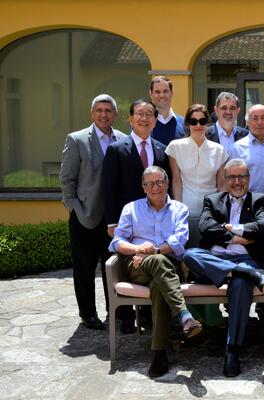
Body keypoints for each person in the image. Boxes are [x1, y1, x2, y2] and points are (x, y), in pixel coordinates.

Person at [109, 166, 203, 378]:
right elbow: (117, 241)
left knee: (159, 280)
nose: (155, 187)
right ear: (143, 188)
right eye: (150, 184)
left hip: (169, 266)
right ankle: (184, 316)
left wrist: (153, 250)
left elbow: (179, 241)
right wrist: (137, 249)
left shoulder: (179, 209)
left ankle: (159, 354)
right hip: (137, 266)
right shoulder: (131, 208)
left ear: (167, 184)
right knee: (158, 264)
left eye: (160, 182)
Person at [183, 159, 264, 377]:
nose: (237, 181)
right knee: (190, 254)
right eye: (232, 177)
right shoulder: (213, 200)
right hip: (213, 260)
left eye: (241, 176)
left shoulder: (260, 199)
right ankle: (245, 273)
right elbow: (205, 227)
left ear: (248, 179)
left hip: (246, 261)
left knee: (241, 284)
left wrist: (232, 230)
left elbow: (261, 226)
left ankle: (232, 350)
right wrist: (241, 238)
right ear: (225, 180)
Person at [103, 99, 171, 333]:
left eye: (149, 114)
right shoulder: (116, 149)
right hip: (127, 220)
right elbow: (109, 187)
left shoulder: (162, 149)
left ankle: (152, 316)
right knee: (125, 265)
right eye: (139, 114)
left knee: (149, 265)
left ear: (155, 120)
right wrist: (112, 222)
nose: (144, 118)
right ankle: (124, 316)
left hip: (153, 221)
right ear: (130, 119)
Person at [59, 94, 126, 330]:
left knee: (114, 267)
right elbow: (66, 180)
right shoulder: (77, 140)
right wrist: (75, 209)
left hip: (115, 219)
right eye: (99, 110)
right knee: (84, 268)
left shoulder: (124, 139)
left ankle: (114, 310)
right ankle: (88, 313)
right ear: (92, 113)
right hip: (85, 216)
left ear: (115, 114)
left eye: (108, 110)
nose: (104, 114)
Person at [166, 104, 228, 217]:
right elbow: (176, 181)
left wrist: (221, 210)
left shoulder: (219, 150)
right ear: (187, 124)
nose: (198, 125)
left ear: (207, 123)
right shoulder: (175, 147)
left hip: (211, 211)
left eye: (202, 121)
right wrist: (178, 210)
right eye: (194, 121)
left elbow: (221, 184)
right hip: (185, 210)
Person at [206, 92, 249, 157]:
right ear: (216, 110)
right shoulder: (204, 135)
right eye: (224, 108)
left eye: (232, 108)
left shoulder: (246, 136)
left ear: (238, 111)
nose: (228, 112)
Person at [148, 76, 185, 146]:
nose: (162, 95)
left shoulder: (184, 124)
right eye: (157, 92)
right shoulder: (143, 124)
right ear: (151, 94)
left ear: (172, 92)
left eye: (165, 91)